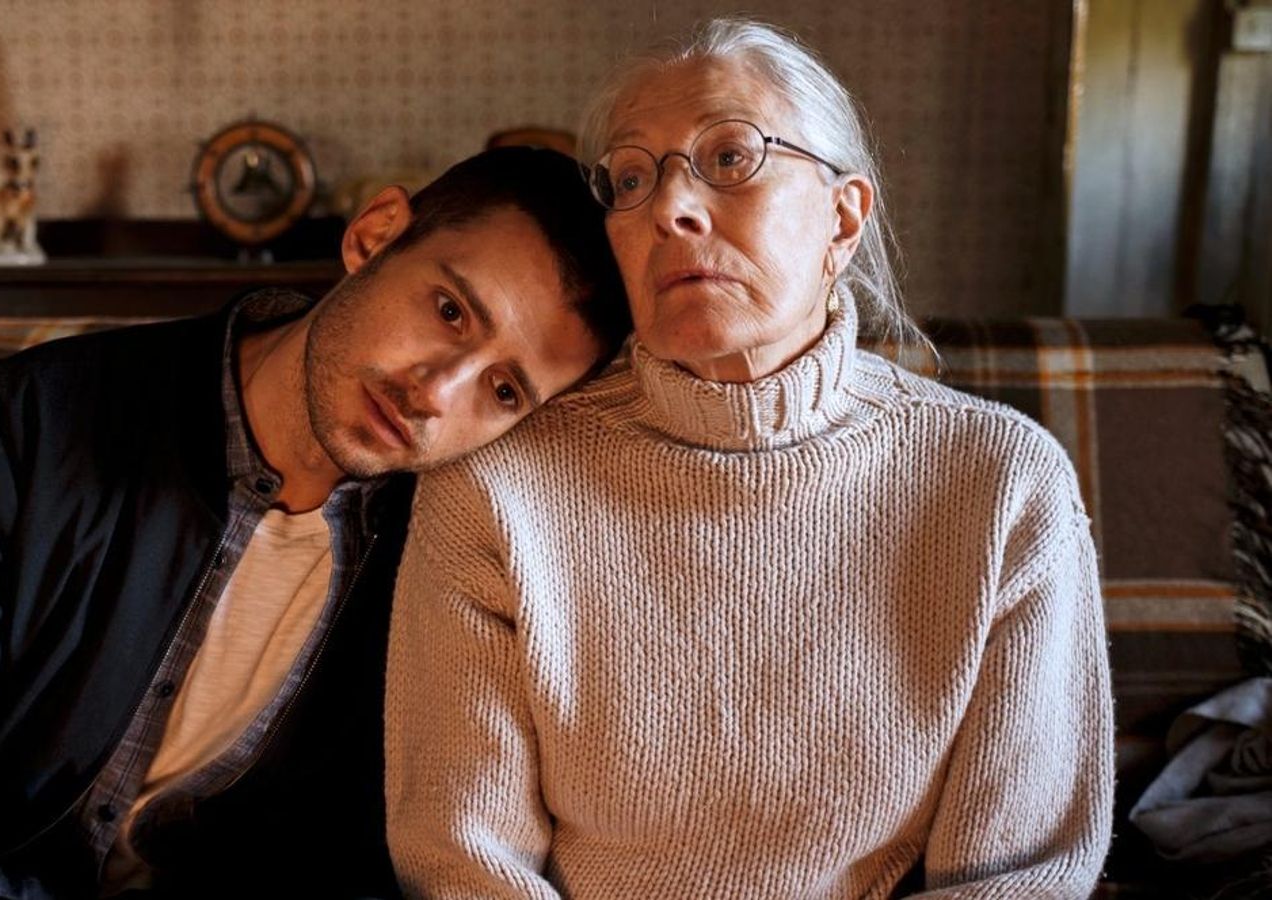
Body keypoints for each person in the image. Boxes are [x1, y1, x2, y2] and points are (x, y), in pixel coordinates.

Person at [386, 19, 1114, 898]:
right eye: (630, 179)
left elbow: (1024, 875)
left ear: (842, 219)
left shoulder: (1001, 481)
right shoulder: (499, 480)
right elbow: (463, 859)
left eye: (730, 158)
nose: (669, 209)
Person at [0, 146, 630, 900]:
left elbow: (372, 858)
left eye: (504, 390)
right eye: (449, 310)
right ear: (374, 235)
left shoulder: (450, 552)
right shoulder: (28, 422)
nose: (436, 394)